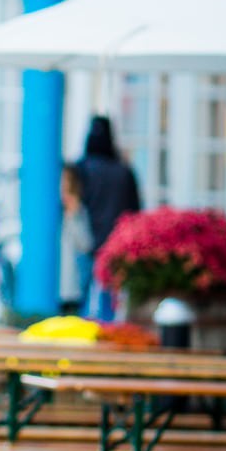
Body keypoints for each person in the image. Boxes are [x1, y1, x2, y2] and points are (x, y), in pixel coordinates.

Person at [75, 114, 141, 320]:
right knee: (110, 302)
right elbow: (135, 209)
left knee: (82, 298)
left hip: (86, 242)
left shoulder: (82, 168)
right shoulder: (124, 172)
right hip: (115, 243)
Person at [58, 163, 94, 316]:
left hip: (70, 287)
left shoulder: (78, 211)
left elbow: (86, 244)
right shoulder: (45, 211)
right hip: (50, 286)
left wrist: (74, 215)